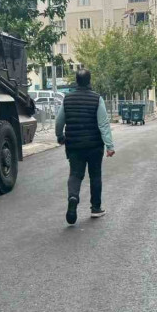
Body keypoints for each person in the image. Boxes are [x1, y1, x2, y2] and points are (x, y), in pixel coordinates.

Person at [55, 69, 115, 225]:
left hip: (74, 145)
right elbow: (103, 124)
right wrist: (109, 145)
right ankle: (95, 208)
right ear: (89, 81)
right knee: (95, 175)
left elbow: (59, 121)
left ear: (76, 81)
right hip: (94, 146)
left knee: (75, 174)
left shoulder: (67, 99)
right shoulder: (97, 99)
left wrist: (60, 136)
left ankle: (73, 197)